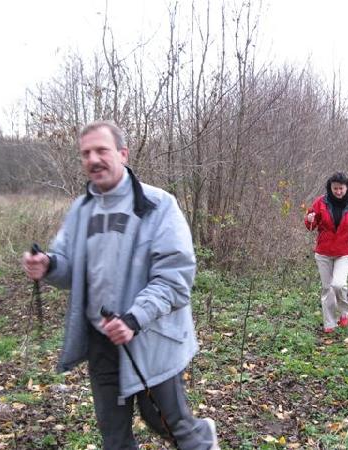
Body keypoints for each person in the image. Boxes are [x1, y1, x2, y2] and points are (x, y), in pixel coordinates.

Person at [22, 121, 219, 450]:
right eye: (86, 153)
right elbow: (70, 266)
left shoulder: (158, 205)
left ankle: (203, 438)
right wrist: (49, 265)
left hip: (152, 337)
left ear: (123, 154)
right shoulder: (82, 209)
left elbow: (175, 276)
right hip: (102, 340)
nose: (93, 159)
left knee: (166, 422)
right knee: (113, 436)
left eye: (102, 150)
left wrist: (133, 318)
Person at [305, 172, 348, 333]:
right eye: (334, 188)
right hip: (324, 251)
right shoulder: (321, 202)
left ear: (346, 187)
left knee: (339, 284)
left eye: (340, 188)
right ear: (330, 187)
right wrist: (309, 219)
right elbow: (310, 224)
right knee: (327, 288)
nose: (338, 191)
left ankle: (344, 311)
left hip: (345, 250)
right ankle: (329, 323)